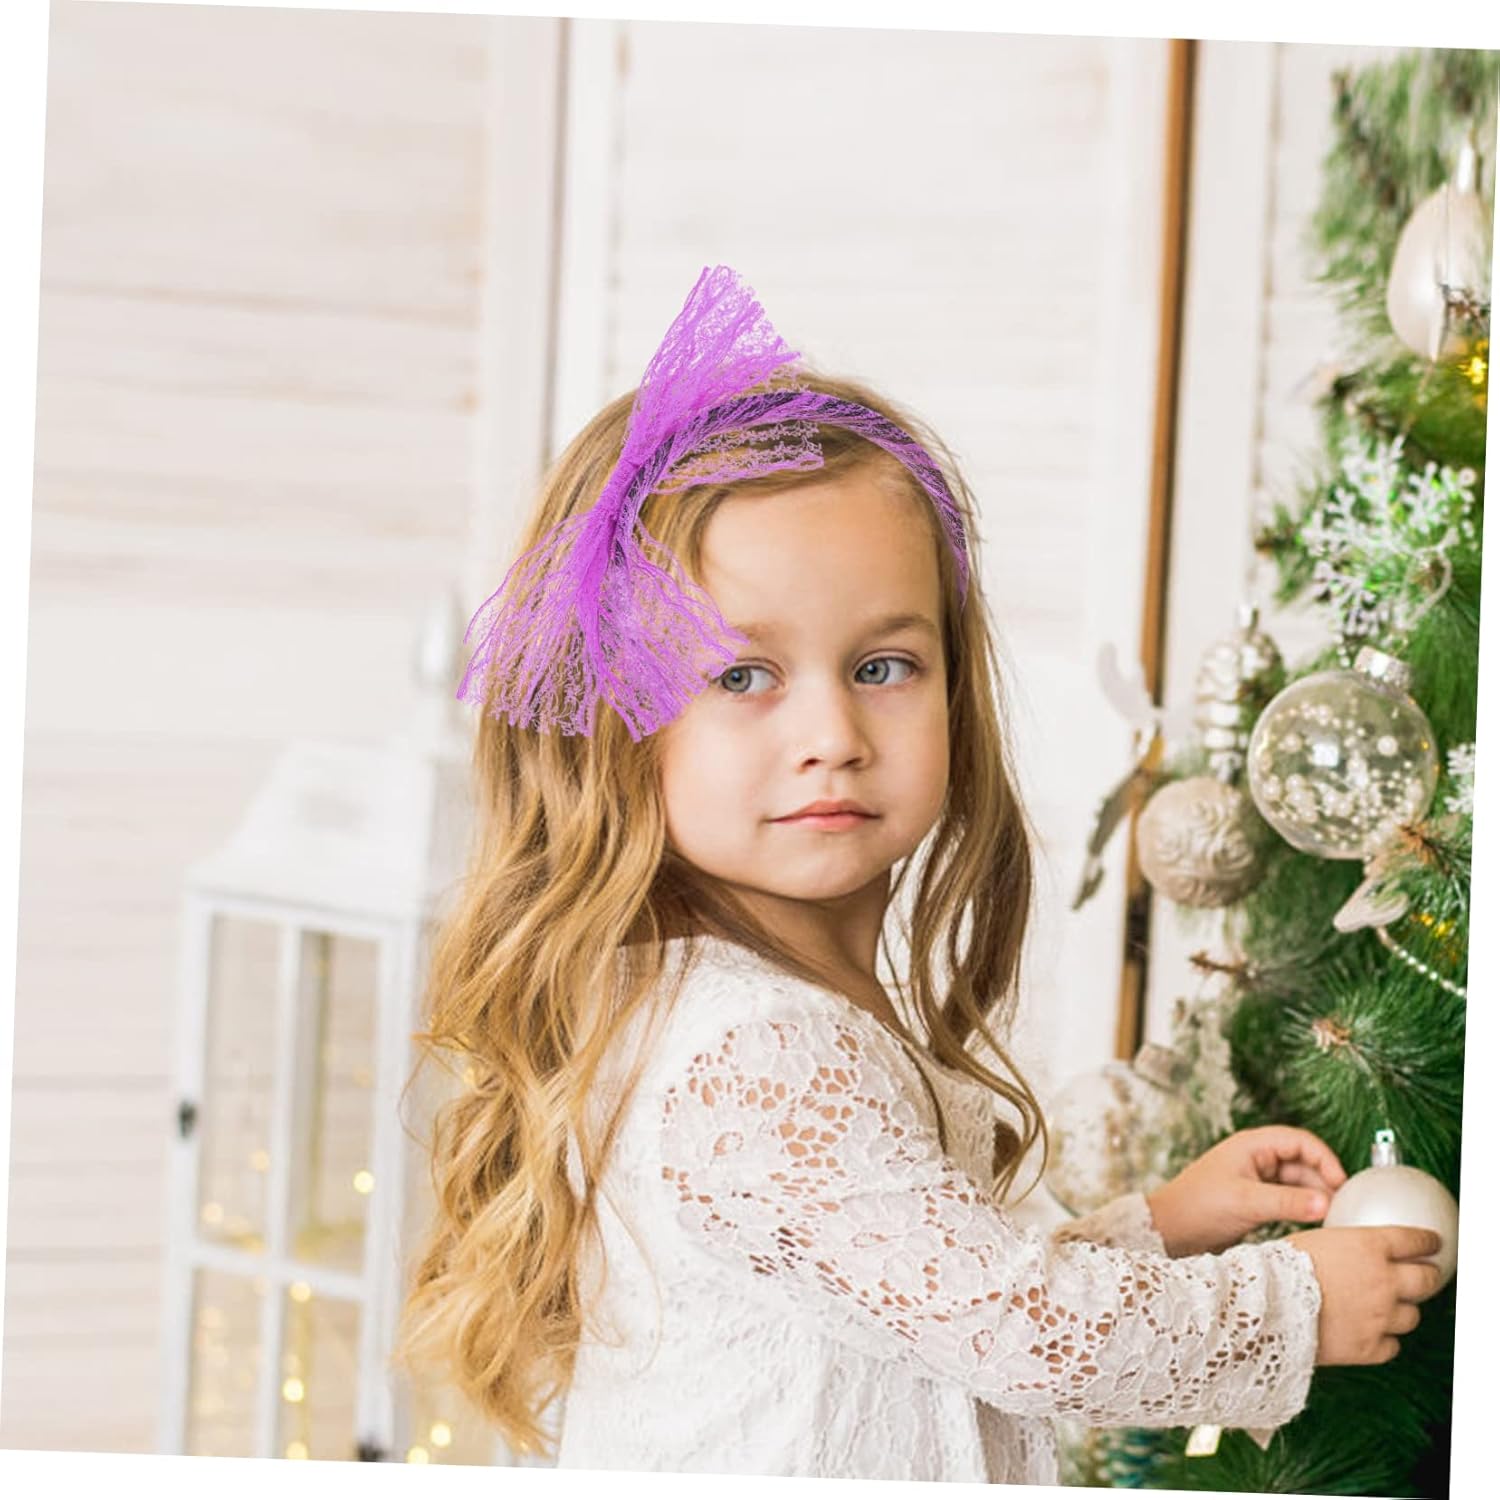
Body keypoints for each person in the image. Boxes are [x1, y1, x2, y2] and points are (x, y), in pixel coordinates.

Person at [396, 266, 1445, 1484]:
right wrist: (1292, 1304)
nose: (832, 733)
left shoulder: (720, 1008)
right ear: (621, 723)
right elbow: (1021, 1334)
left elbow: (926, 1311)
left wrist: (1158, 1230)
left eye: (883, 666)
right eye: (742, 676)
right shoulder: (758, 1053)